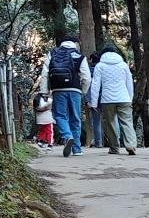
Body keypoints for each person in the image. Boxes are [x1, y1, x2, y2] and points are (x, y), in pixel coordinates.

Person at [40, 30, 90, 158]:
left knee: (59, 115)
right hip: (75, 90)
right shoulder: (79, 56)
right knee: (75, 118)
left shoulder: (53, 53)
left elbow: (45, 74)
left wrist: (44, 91)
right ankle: (77, 149)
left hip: (58, 90)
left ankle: (67, 136)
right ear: (75, 43)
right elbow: (86, 77)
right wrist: (83, 91)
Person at [88, 40, 137, 155]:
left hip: (107, 100)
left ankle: (114, 148)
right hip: (124, 98)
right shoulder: (123, 65)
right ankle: (130, 145)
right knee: (127, 122)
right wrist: (130, 98)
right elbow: (129, 83)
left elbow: (95, 85)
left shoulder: (100, 66)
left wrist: (93, 103)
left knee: (110, 124)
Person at [86, 51, 103, 147]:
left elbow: (88, 87)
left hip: (93, 98)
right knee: (110, 120)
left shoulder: (88, 71)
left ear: (91, 59)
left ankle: (98, 142)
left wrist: (88, 100)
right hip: (105, 98)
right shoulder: (103, 69)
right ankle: (113, 141)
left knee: (96, 122)